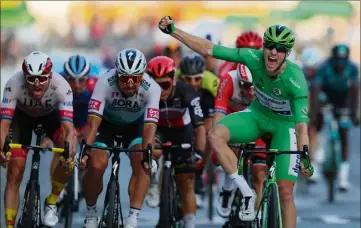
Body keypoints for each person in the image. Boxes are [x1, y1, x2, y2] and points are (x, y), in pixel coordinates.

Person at [158, 17, 314, 227]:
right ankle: (244, 191)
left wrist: (305, 155)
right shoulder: (252, 56)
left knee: (285, 192)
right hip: (256, 116)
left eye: (280, 48)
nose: (273, 52)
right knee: (215, 134)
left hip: (284, 127)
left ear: (286, 54)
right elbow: (209, 49)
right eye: (269, 46)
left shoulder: (296, 79)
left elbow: (301, 126)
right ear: (263, 47)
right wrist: (174, 31)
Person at [80, 48, 160, 228]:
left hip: (135, 126)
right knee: (96, 164)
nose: (130, 84)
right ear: (117, 74)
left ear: (143, 75)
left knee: (142, 162)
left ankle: (133, 218)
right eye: (124, 78)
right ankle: (91, 211)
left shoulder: (152, 87)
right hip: (107, 124)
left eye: (136, 78)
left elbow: (149, 127)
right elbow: (93, 123)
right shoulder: (104, 82)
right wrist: (86, 151)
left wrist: (148, 155)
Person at [0, 51, 76, 228]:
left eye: (42, 78)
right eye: (32, 78)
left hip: (51, 118)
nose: (37, 84)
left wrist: (69, 150)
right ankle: (10, 225)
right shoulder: (13, 84)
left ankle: (52, 200)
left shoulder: (62, 86)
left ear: (50, 76)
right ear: (24, 75)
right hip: (22, 119)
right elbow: (4, 124)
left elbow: (68, 128)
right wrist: (3, 150)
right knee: (15, 171)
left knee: (68, 154)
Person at [146, 56, 206, 228]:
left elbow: (199, 126)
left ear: (172, 80)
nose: (160, 90)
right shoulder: (146, 93)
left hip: (182, 133)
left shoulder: (187, 91)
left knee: (186, 181)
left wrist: (200, 152)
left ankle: (190, 223)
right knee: (152, 151)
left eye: (164, 85)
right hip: (159, 131)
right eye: (155, 85)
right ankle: (153, 183)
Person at [214, 61, 268, 218]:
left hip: (257, 120)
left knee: (259, 171)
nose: (250, 91)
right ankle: (227, 190)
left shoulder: (267, 83)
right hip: (233, 117)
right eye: (245, 86)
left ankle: (257, 214)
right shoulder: (228, 80)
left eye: (254, 86)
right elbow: (218, 118)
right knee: (232, 149)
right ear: (238, 80)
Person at [311, 44, 359, 191]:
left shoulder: (352, 68)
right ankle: (315, 166)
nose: (340, 67)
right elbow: (316, 90)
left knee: (344, 134)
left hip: (344, 99)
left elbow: (355, 91)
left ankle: (343, 178)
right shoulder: (324, 68)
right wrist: (314, 112)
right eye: (337, 62)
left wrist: (354, 113)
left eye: (342, 63)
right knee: (317, 126)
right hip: (325, 97)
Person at [178, 53, 215, 207]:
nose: (192, 83)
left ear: (203, 77)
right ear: (181, 78)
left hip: (204, 110)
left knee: (209, 132)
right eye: (187, 79)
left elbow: (211, 119)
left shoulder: (212, 83)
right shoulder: (173, 79)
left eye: (197, 79)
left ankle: (200, 171)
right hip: (181, 116)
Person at [61, 55, 98, 139]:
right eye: (72, 79)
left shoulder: (95, 84)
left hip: (85, 116)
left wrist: (87, 127)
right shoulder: (59, 82)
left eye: (81, 80)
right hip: (64, 116)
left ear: (87, 78)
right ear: (66, 78)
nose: (76, 85)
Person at [300, 47, 322, 183]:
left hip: (314, 110)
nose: (310, 71)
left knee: (313, 132)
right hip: (301, 109)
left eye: (312, 69)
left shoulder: (320, 76)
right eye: (308, 68)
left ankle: (313, 161)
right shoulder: (299, 73)